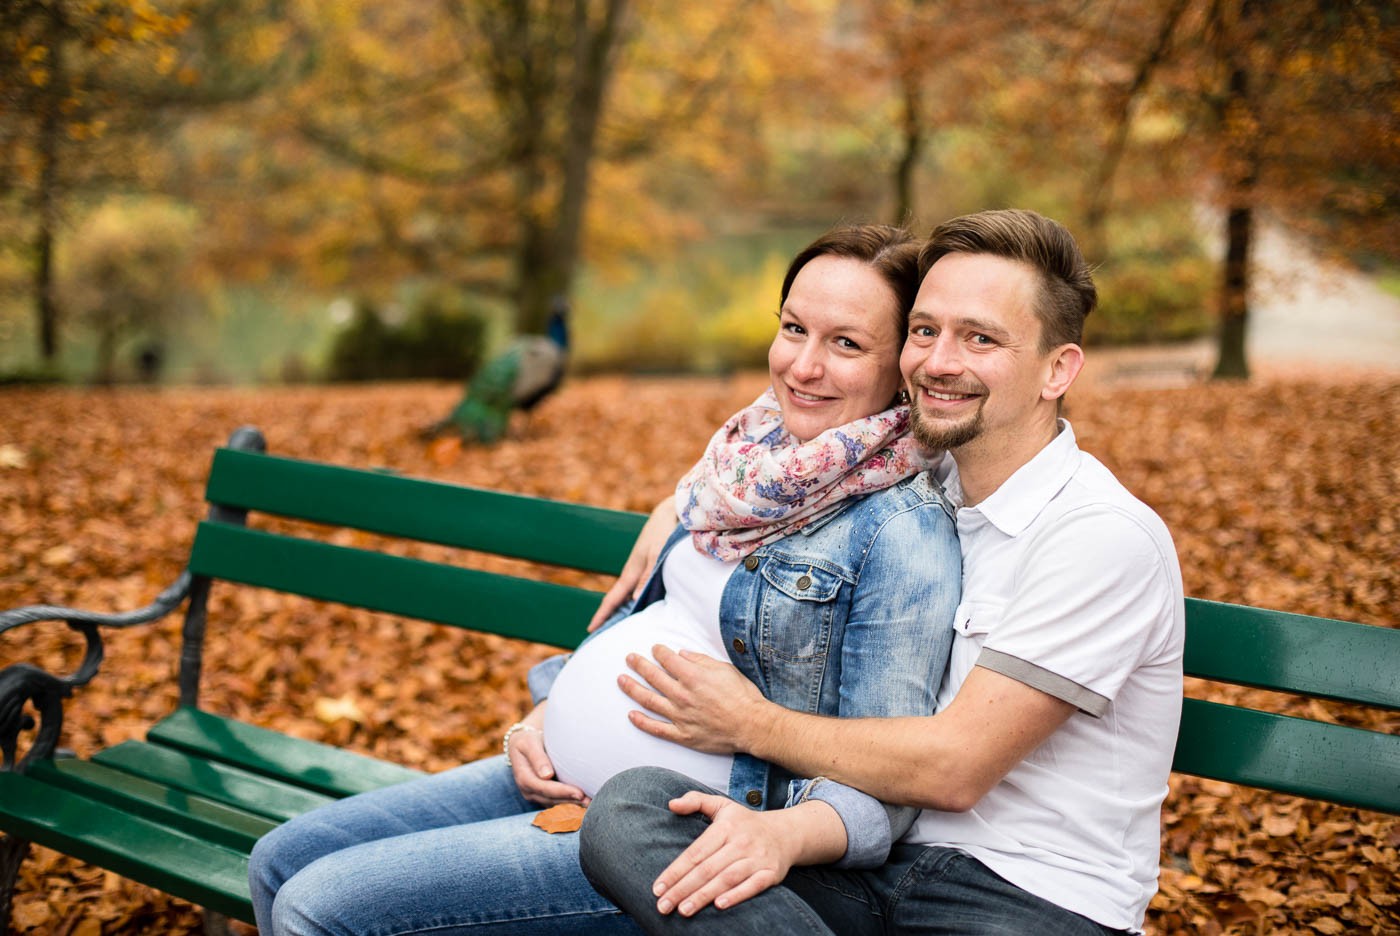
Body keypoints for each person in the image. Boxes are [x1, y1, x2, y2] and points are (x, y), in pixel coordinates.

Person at [246, 223, 962, 936]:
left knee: (321, 905)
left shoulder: (899, 531)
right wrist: (539, 717)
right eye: (793, 329)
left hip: (664, 838)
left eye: (845, 344)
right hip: (550, 774)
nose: (803, 367)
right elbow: (646, 619)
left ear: (902, 363)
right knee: (278, 862)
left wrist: (769, 803)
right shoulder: (746, 464)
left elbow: (883, 788)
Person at [579, 208, 1186, 936]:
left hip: (1026, 901)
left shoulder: (1098, 537)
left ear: (1058, 369)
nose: (938, 361)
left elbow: (953, 770)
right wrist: (675, 506)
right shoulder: (932, 481)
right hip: (879, 872)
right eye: (925, 331)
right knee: (631, 814)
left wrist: (752, 726)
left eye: (981, 338)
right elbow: (796, 450)